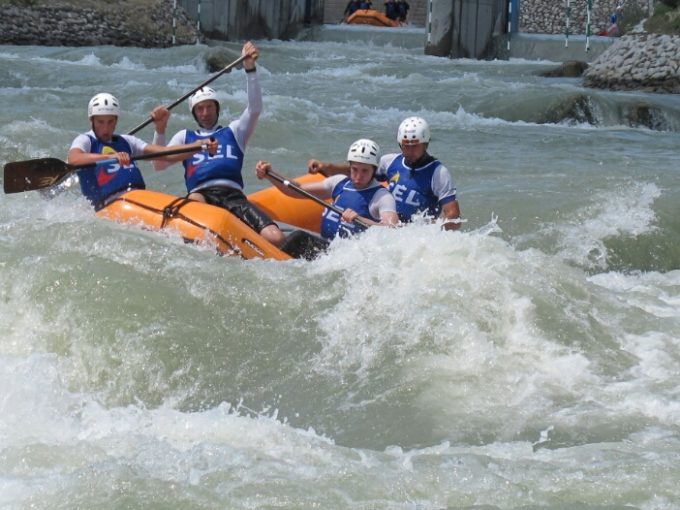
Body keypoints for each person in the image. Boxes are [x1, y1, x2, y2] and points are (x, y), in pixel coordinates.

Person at [152, 41, 286, 248]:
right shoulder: (185, 137)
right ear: (194, 113)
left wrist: (250, 68)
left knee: (275, 238)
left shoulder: (234, 132)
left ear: (217, 108)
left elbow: (255, 108)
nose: (205, 113)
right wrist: (160, 130)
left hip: (233, 196)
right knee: (195, 201)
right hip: (201, 194)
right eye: (200, 109)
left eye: (209, 107)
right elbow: (159, 164)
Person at [68, 93, 217, 211]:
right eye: (101, 122)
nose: (106, 128)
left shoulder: (127, 141)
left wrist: (198, 146)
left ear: (116, 121)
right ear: (91, 121)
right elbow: (74, 159)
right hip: (109, 204)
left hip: (138, 197)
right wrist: (111, 156)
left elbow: (165, 154)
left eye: (110, 122)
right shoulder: (86, 140)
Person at [308, 117, 461, 231]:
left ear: (426, 144)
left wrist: (428, 232)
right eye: (405, 146)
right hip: (384, 224)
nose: (409, 151)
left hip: (412, 234)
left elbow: (453, 216)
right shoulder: (391, 161)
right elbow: (359, 171)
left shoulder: (438, 173)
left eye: (415, 146)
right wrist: (327, 167)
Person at [256, 139, 398, 244]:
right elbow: (297, 190)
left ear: (374, 169)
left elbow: (392, 229)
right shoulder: (339, 183)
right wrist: (270, 174)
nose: (358, 176)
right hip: (324, 245)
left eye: (364, 171)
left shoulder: (382, 196)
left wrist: (359, 219)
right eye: (354, 169)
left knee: (297, 239)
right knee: (274, 231)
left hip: (346, 254)